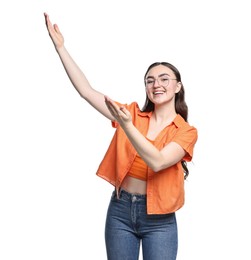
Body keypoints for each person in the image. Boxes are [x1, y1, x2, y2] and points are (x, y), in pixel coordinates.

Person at [44, 12, 198, 260]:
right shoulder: (132, 114)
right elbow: (86, 91)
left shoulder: (186, 132)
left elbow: (157, 161)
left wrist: (127, 127)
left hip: (160, 220)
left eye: (164, 79)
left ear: (178, 86)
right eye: (150, 80)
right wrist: (61, 48)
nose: (156, 84)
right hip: (120, 211)